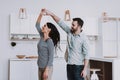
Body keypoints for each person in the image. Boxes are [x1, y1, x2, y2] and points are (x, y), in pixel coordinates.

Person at [44, 9, 90, 80]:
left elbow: (87, 55)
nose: (71, 26)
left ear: (79, 26)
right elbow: (60, 22)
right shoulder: (70, 32)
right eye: (72, 24)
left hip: (78, 67)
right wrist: (51, 14)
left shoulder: (84, 39)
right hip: (69, 66)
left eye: (73, 25)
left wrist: (85, 69)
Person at [35, 9, 60, 80]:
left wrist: (46, 70)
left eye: (45, 26)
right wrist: (41, 14)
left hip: (47, 68)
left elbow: (51, 57)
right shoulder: (42, 36)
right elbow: (37, 25)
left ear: (49, 30)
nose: (43, 26)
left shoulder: (50, 41)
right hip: (40, 67)